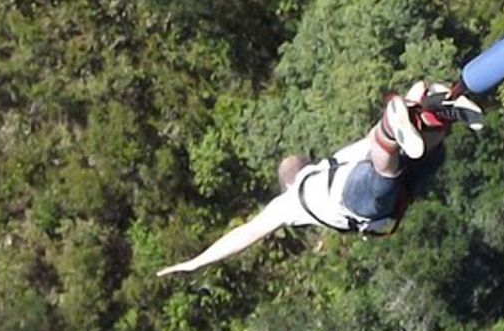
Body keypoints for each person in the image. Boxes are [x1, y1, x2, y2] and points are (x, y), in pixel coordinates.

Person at [157, 81, 483, 276]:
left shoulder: (289, 202)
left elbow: (245, 234)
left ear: (289, 181)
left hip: (357, 202)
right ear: (307, 164)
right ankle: (435, 109)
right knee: (426, 151)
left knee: (384, 171)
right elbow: (366, 144)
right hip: (390, 192)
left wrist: (196, 262)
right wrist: (411, 102)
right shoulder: (332, 162)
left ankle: (396, 123)